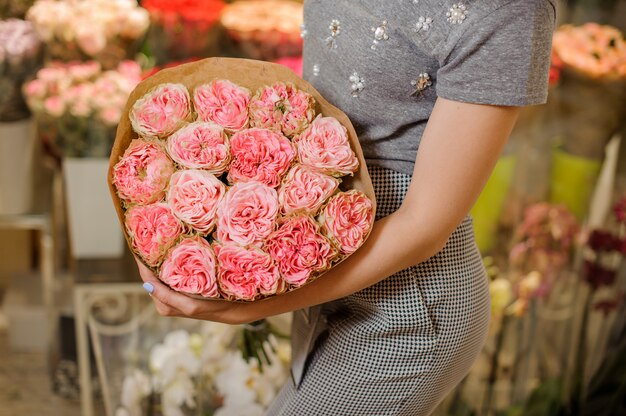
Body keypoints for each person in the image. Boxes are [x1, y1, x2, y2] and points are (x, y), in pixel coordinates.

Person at [137, 0, 557, 414]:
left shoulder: (513, 10)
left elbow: (422, 226)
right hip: (321, 259)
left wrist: (251, 303)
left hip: (405, 307)